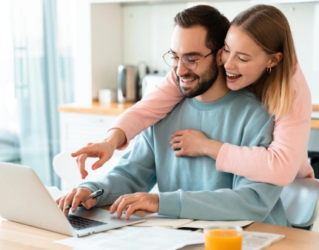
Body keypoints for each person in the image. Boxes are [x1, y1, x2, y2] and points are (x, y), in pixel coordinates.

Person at [57, 5, 288, 227]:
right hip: (183, 238)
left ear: (221, 56)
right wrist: (92, 190)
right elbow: (130, 174)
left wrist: (161, 202)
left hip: (253, 238)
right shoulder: (165, 109)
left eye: (192, 58)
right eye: (175, 57)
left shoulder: (259, 115)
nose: (179, 70)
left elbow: (250, 201)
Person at [72, 4, 314, 185]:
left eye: (242, 58)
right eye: (226, 51)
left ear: (273, 60)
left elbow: (281, 169)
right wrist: (110, 141)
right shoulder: (190, 72)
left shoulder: (291, 92)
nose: (227, 64)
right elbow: (147, 108)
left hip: (289, 189)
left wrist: (208, 146)